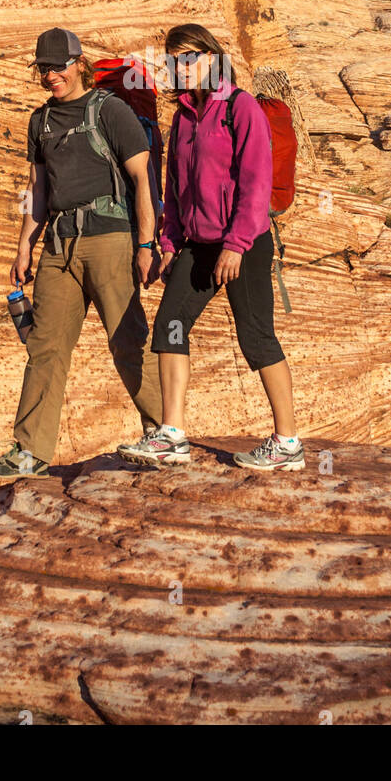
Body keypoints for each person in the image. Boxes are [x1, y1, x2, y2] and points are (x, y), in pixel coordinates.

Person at [0, 27, 164, 478]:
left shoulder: (111, 111)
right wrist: (24, 246)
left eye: (58, 66)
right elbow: (37, 188)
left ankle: (163, 431)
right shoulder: (39, 122)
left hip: (110, 239)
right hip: (59, 245)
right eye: (44, 68)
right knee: (45, 345)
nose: (51, 76)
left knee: (127, 339)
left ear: (79, 63)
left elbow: (143, 179)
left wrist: (145, 243)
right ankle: (29, 450)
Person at [117, 23, 304, 471]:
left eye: (189, 57)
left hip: (245, 242)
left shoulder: (240, 109)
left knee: (256, 338)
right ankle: (173, 435)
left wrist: (237, 245)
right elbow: (177, 188)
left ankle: (287, 442)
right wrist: (168, 241)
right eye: (173, 59)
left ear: (212, 58)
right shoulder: (183, 118)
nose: (180, 67)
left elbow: (256, 183)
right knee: (170, 325)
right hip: (199, 247)